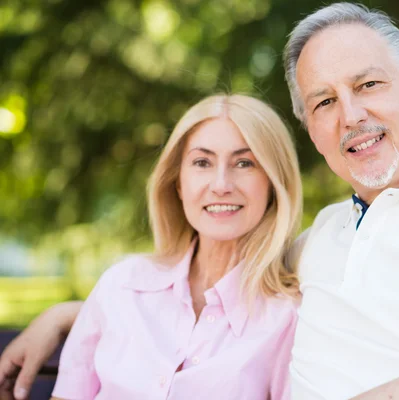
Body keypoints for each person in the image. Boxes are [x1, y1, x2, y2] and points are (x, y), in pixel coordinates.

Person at [0, 3, 399, 400]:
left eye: (368, 84)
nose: (351, 115)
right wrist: (68, 315)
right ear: (311, 129)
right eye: (323, 102)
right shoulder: (326, 236)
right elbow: (212, 292)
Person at [1, 93, 303, 400]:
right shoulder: (122, 285)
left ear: (273, 184)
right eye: (202, 162)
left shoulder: (289, 318)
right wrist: (59, 315)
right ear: (178, 184)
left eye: (244, 162)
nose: (221, 184)